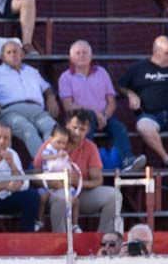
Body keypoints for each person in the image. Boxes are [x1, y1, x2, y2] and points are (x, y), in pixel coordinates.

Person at [58, 39, 146, 172]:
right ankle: (83, 161)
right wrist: (94, 112)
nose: (81, 55)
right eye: (77, 53)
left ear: (91, 56)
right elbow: (68, 106)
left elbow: (112, 101)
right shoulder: (65, 77)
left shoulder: (102, 72)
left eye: (85, 52)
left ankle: (128, 160)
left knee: (120, 127)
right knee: (90, 116)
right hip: (78, 119)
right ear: (71, 57)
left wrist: (104, 116)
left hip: (104, 116)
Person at [117, 36, 168, 171]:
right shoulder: (138, 68)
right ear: (156, 51)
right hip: (150, 115)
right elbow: (120, 86)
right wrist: (130, 94)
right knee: (143, 127)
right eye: (167, 54)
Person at [34, 109, 119, 235]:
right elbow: (35, 177)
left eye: (82, 129)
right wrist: (53, 182)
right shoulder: (51, 144)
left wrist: (79, 182)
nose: (77, 132)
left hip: (80, 194)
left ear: (88, 130)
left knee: (115, 195)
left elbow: (98, 180)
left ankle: (104, 242)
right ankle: (60, 243)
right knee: (63, 196)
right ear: (67, 124)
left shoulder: (90, 147)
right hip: (53, 193)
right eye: (74, 127)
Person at [0, 38, 58, 159]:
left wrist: (51, 97)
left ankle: (53, 161)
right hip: (10, 112)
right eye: (9, 52)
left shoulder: (32, 71)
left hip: (37, 111)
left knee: (53, 129)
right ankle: (44, 164)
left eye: (16, 51)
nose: (13, 55)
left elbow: (46, 87)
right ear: (2, 57)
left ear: (22, 54)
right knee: (28, 129)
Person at [36, 123, 81, 231]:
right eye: (58, 142)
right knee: (42, 198)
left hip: (62, 183)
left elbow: (67, 164)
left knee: (76, 200)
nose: (61, 145)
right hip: (48, 182)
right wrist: (56, 156)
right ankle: (39, 220)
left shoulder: (62, 152)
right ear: (51, 139)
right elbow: (43, 157)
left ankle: (75, 225)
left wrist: (68, 160)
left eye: (64, 143)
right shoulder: (47, 149)